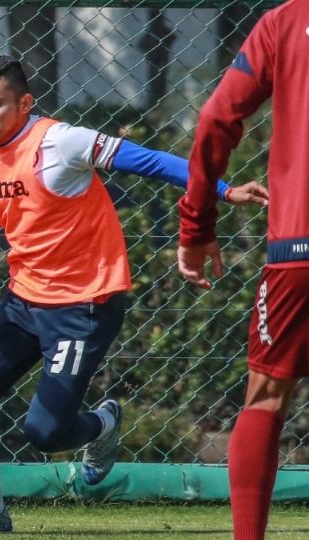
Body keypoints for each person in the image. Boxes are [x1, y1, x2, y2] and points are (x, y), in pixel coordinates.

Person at [0, 55, 268, 534]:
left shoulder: (61, 141)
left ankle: (103, 424)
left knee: (45, 433)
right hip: (22, 302)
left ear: (25, 103)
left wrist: (222, 188)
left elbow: (151, 161)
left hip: (84, 305)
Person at [177, 2, 306, 538]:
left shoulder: (283, 21)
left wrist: (196, 225)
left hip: (298, 250)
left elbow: (214, 118)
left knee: (266, 398)